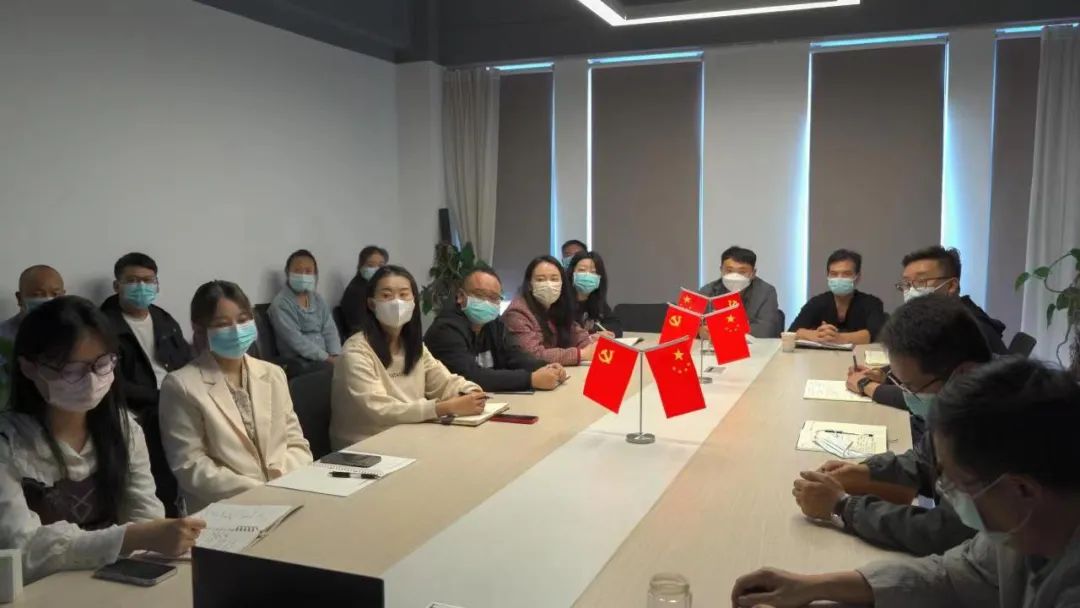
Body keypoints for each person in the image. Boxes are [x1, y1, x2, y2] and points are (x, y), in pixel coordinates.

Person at [733, 357, 1080, 608]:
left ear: (1022, 490)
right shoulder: (1021, 525)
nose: (943, 490)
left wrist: (842, 506)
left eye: (956, 484)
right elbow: (951, 575)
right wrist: (812, 586)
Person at [0, 297, 205, 582]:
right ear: (29, 368)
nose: (91, 380)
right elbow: (21, 550)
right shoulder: (9, 443)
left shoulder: (124, 429)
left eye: (102, 364)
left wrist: (158, 535)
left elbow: (146, 517)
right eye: (71, 370)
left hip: (112, 584)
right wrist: (129, 537)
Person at [792, 295, 992, 557]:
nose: (907, 395)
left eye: (911, 386)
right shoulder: (959, 409)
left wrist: (843, 506)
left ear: (962, 374)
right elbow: (923, 461)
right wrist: (864, 470)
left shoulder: (990, 431)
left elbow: (943, 532)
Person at [159, 281, 313, 513]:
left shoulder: (273, 374)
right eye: (222, 324)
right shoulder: (181, 385)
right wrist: (259, 491)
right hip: (225, 508)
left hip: (286, 493)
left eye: (243, 320)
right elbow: (191, 466)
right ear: (200, 330)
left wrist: (280, 483)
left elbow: (296, 443)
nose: (236, 330)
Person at [331, 266, 486, 448]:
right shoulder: (356, 351)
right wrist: (443, 407)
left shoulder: (413, 346)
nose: (397, 302)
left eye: (404, 295)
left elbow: (444, 382)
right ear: (372, 304)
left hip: (410, 436)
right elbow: (379, 409)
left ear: (413, 303)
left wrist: (471, 392)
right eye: (387, 295)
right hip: (364, 446)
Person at [100, 252, 193, 516]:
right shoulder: (102, 325)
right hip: (140, 407)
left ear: (157, 284)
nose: (141, 286)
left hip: (173, 396)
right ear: (117, 285)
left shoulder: (163, 319)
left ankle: (198, 494)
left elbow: (187, 361)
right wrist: (162, 397)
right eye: (132, 280)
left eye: (148, 280)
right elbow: (112, 382)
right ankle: (167, 509)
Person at [424, 268, 567, 393]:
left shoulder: (493, 324)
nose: (486, 302)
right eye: (479, 295)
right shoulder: (446, 329)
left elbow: (512, 356)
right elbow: (470, 376)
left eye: (493, 298)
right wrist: (530, 379)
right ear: (461, 296)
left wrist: (544, 366)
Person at [894, 245, 1007, 354]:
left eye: (921, 281)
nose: (911, 290)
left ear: (951, 286)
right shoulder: (931, 322)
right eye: (907, 283)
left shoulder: (970, 329)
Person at [503, 256, 595, 366]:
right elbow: (533, 355)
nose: (548, 285)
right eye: (540, 279)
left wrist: (590, 345)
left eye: (554, 279)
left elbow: (577, 334)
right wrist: (580, 354)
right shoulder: (517, 313)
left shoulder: (556, 307)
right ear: (529, 285)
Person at [789, 249, 885, 346]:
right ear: (828, 276)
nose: (839, 278)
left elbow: (876, 334)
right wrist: (817, 335)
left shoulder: (872, 303)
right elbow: (793, 332)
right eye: (834, 274)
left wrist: (839, 338)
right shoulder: (817, 302)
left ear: (858, 277)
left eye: (846, 274)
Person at [268, 249, 342, 367]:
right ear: (288, 273)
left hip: (325, 359)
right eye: (297, 271)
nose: (303, 275)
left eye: (308, 271)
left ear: (315, 274)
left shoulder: (318, 299)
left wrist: (336, 354)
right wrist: (327, 358)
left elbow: (330, 330)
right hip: (298, 362)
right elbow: (296, 340)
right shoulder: (280, 304)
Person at [698, 245, 782, 338]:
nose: (735, 276)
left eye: (742, 272)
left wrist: (723, 330)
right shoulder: (708, 291)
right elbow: (692, 325)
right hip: (714, 346)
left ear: (753, 273)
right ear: (721, 270)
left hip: (753, 346)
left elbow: (764, 331)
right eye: (729, 271)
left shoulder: (766, 292)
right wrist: (700, 331)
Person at [1, 265, 66, 343]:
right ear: (19, 298)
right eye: (38, 295)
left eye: (55, 294)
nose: (48, 301)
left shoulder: (73, 334)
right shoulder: (3, 337)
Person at [568, 251, 624, 338]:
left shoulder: (597, 300)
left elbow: (615, 325)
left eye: (593, 272)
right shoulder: (562, 300)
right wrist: (591, 336)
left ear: (599, 277)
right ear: (572, 273)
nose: (587, 275)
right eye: (582, 270)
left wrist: (602, 333)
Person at [340, 245, 389, 338]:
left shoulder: (376, 288)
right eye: (370, 265)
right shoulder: (356, 291)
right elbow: (359, 326)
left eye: (381, 265)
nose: (377, 269)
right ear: (361, 266)